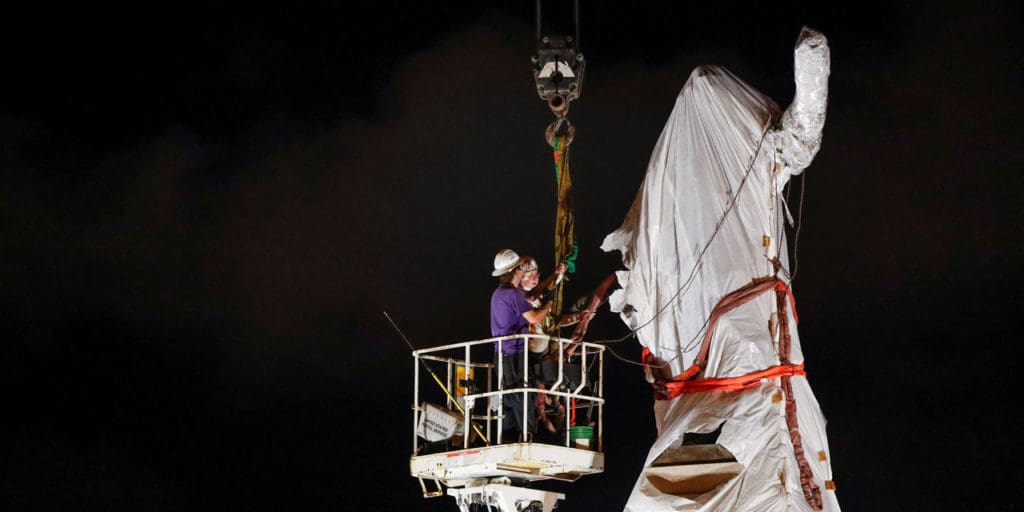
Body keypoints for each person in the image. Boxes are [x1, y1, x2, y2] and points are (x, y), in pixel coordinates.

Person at [489, 249, 555, 442]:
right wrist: (549, 302)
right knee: (523, 396)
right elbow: (534, 318)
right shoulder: (512, 294)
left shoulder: (500, 293)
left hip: (501, 354)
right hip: (515, 354)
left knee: (509, 398)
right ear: (517, 270)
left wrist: (554, 276)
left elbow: (532, 293)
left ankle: (509, 438)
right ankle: (528, 437)